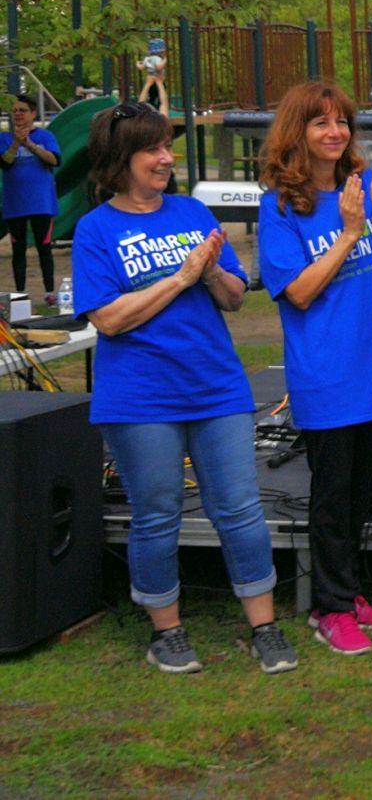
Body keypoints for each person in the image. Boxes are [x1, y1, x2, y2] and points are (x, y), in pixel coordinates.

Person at [71, 102, 296, 675]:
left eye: (167, 147)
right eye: (152, 149)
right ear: (119, 160)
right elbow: (110, 319)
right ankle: (166, 633)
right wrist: (180, 276)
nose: (166, 158)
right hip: (140, 398)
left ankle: (264, 626)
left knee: (240, 509)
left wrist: (216, 270)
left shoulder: (191, 211)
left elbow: (231, 298)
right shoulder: (97, 230)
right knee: (157, 513)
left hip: (216, 387)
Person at [258, 81, 372, 656]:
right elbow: (297, 291)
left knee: (362, 493)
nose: (335, 131)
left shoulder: (364, 189)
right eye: (320, 122)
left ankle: (349, 593)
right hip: (327, 373)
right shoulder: (280, 207)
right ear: (297, 132)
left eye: (341, 121)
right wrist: (348, 233)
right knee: (332, 495)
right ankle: (329, 608)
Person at [0, 95, 60, 303]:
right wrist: (17, 143)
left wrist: (31, 145)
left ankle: (49, 293)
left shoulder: (46, 136)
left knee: (44, 248)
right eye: (15, 111)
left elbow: (54, 160)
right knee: (18, 249)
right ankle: (20, 293)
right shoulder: (5, 139)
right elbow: (5, 163)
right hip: (15, 203)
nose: (18, 114)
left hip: (42, 203)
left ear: (33, 114)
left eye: (22, 110)